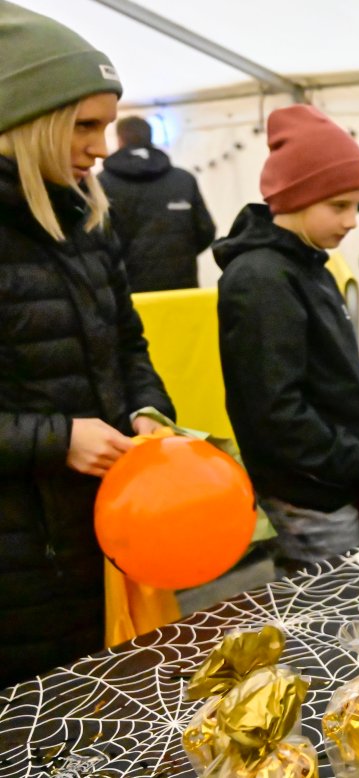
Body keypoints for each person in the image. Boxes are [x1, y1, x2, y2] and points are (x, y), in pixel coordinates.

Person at [0, 1, 174, 686]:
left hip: (108, 535)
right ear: (22, 123)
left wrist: (148, 408)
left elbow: (128, 339)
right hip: (20, 569)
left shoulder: (88, 217)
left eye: (107, 122)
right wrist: (58, 439)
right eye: (85, 125)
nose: (104, 147)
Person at [215, 105, 359, 574]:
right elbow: (277, 413)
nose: (353, 221)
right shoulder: (261, 280)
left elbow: (342, 375)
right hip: (307, 495)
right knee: (333, 617)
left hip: (337, 476)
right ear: (295, 197)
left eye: (357, 205)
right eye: (339, 206)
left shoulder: (311, 263)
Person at [97, 115, 216, 292]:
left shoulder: (101, 183)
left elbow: (96, 240)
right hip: (181, 287)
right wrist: (180, 255)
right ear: (150, 138)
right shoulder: (183, 179)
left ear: (120, 140)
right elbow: (206, 230)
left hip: (126, 293)